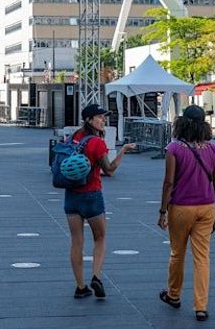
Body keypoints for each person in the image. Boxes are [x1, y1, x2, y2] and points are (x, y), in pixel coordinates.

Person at [157, 105, 215, 322]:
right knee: (202, 257)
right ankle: (201, 306)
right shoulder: (214, 150)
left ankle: (174, 295)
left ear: (181, 123)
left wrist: (162, 210)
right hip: (207, 207)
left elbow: (168, 182)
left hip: (181, 207)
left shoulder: (174, 149)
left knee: (177, 253)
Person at [66, 104, 136, 299]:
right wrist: (122, 151)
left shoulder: (72, 138)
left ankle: (80, 287)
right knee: (100, 238)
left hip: (71, 195)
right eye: (99, 117)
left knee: (76, 242)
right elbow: (110, 170)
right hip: (92, 195)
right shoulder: (96, 142)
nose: (103, 120)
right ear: (89, 119)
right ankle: (96, 276)